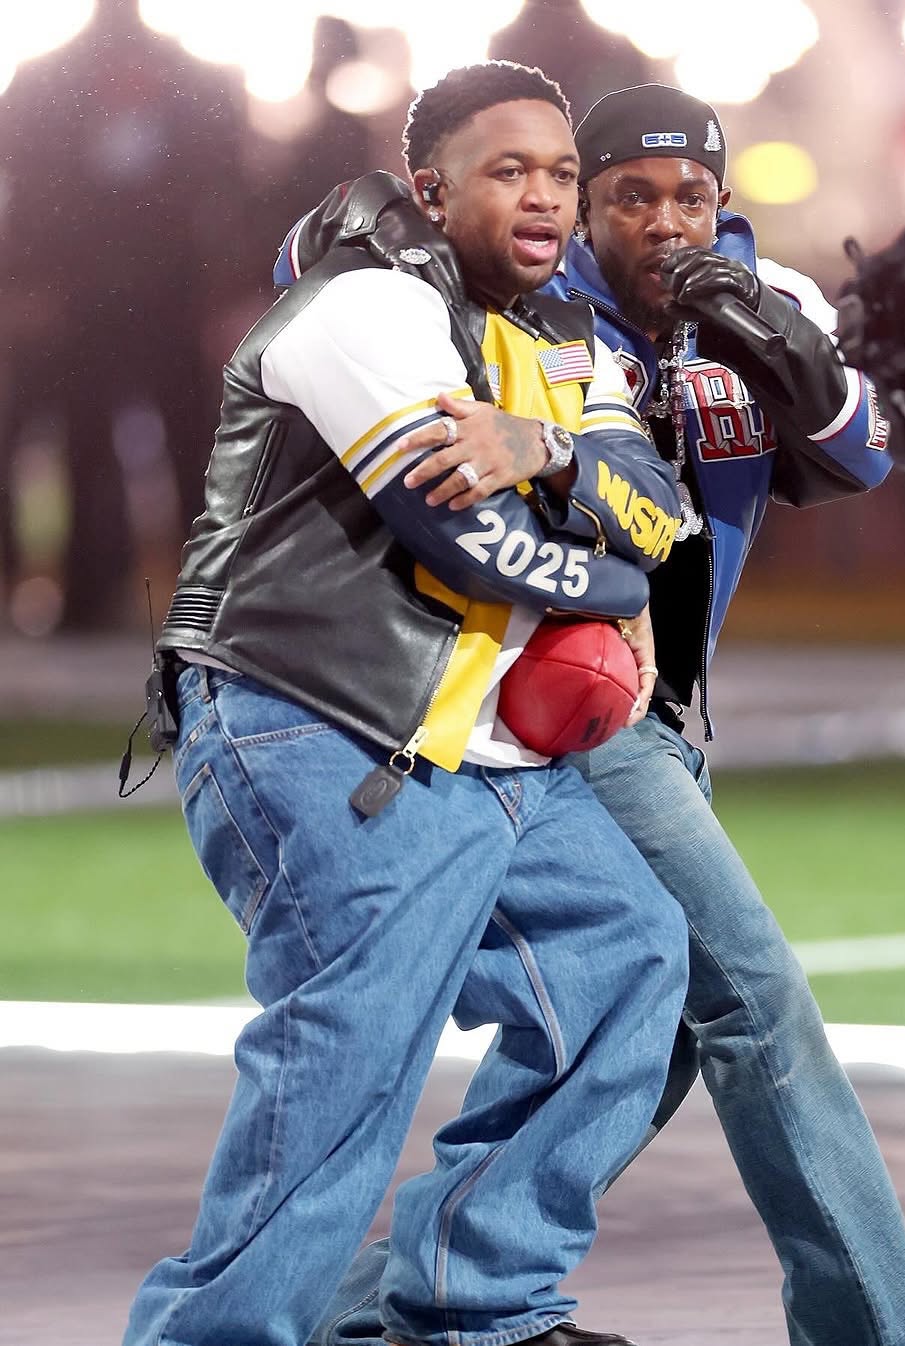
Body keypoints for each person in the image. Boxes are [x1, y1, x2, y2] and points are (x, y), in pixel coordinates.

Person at [298, 86, 905, 1346]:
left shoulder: (774, 301)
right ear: (584, 204)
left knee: (643, 1028)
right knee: (755, 997)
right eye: (629, 198)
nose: (663, 223)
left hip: (653, 709)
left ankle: (365, 1301)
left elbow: (864, 455)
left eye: (690, 198)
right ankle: (882, 1330)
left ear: (724, 202)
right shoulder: (512, 305)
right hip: (551, 703)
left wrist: (765, 333)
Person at [122, 62, 693, 1346]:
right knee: (350, 1062)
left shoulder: (563, 339)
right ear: (433, 190)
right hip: (318, 724)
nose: (547, 197)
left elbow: (663, 503)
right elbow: (471, 546)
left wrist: (547, 449)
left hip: (476, 748)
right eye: (510, 171)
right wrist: (608, 565)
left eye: (561, 172)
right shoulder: (361, 307)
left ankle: (472, 1299)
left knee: (631, 959)